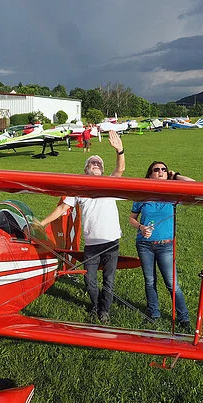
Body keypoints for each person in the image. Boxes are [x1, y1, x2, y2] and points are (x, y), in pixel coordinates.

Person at [39, 130, 126, 324]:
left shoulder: (109, 183)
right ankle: (95, 305)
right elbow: (62, 208)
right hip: (91, 244)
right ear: (86, 170)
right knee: (89, 281)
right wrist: (40, 223)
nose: (95, 165)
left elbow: (120, 170)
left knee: (109, 281)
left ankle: (104, 311)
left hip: (111, 242)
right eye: (92, 163)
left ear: (102, 170)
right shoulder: (78, 189)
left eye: (98, 164)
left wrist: (120, 151)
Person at [129, 161, 195, 333]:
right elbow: (132, 218)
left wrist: (176, 176)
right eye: (156, 170)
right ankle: (154, 314)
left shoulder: (173, 194)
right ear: (150, 174)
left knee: (172, 284)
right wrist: (141, 228)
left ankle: (184, 318)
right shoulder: (142, 195)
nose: (160, 172)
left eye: (163, 170)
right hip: (144, 245)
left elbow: (193, 185)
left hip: (166, 246)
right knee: (150, 281)